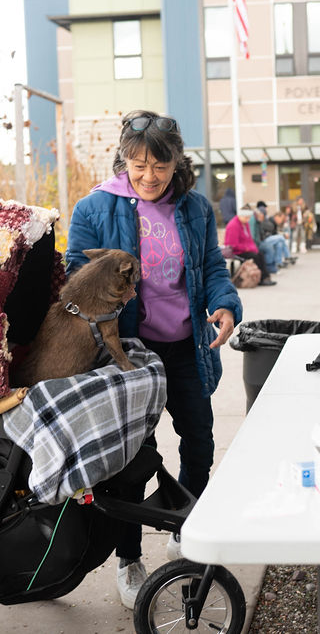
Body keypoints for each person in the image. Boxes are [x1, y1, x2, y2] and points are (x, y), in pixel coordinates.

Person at [67, 110, 243, 608]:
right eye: (138, 164)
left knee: (201, 443)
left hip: (186, 348)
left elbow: (212, 267)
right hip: (128, 355)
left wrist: (225, 304)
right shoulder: (95, 208)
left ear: (175, 163)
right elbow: (77, 284)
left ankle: (184, 528)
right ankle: (129, 558)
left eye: (159, 166)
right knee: (133, 459)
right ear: (124, 159)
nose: (149, 176)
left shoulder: (194, 208)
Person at [223, 207, 277, 286]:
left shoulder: (245, 223)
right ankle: (262, 279)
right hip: (236, 251)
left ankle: (265, 277)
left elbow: (249, 239)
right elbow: (232, 245)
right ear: (240, 215)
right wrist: (247, 248)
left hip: (245, 249)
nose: (248, 219)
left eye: (249, 217)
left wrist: (254, 248)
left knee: (260, 254)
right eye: (246, 217)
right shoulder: (233, 225)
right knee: (255, 256)